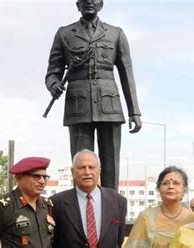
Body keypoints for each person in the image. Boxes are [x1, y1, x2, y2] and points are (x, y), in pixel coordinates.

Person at [45, 0, 142, 190]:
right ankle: (81, 211)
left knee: (111, 162)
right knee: (82, 165)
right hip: (78, 107)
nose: (89, 1)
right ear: (78, 4)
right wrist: (54, 84)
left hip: (110, 106)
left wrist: (134, 112)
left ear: (101, 4)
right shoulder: (64, 34)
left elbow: (127, 75)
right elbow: (52, 71)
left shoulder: (116, 33)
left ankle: (112, 211)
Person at [50, 149, 127, 248]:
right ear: (73, 172)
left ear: (99, 171)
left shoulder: (118, 201)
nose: (87, 172)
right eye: (82, 167)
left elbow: (119, 240)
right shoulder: (56, 202)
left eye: (91, 167)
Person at [0, 157, 54, 247]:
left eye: (45, 177)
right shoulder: (2, 207)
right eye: (36, 176)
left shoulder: (46, 206)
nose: (42, 181)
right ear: (18, 178)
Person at [125, 166, 194, 247]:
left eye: (176, 183)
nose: (170, 186)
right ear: (159, 190)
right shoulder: (146, 218)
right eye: (165, 183)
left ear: (184, 190)